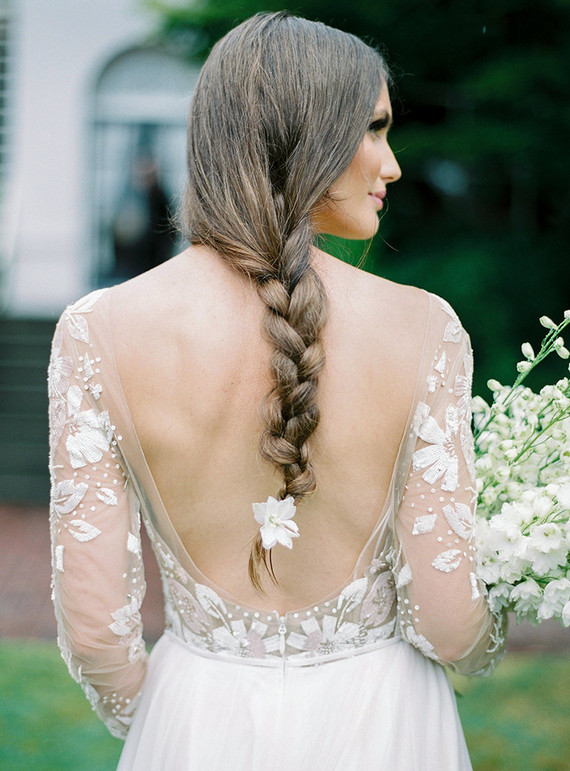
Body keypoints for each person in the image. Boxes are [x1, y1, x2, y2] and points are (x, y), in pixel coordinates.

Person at [48, 12, 505, 770]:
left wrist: (170, 713)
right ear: (306, 136)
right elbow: (451, 621)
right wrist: (512, 599)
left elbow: (95, 626)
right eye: (373, 130)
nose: (390, 165)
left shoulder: (98, 331)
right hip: (386, 725)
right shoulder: (424, 328)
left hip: (195, 724)